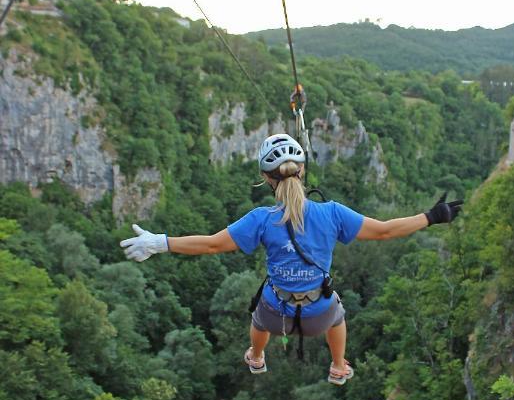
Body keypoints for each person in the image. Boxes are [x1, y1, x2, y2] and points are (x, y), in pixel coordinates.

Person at [120, 133, 462, 385]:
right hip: (318, 315)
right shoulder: (332, 214)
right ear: (301, 172)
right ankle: (338, 366)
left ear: (267, 179)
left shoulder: (260, 219)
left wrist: (160, 242)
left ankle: (256, 357)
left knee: (258, 314)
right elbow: (386, 230)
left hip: (276, 314)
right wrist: (432, 216)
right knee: (337, 313)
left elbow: (211, 245)